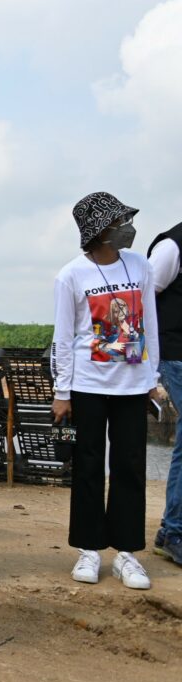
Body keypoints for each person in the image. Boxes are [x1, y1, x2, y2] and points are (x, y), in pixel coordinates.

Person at [52, 192, 161, 590]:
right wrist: (62, 391)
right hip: (88, 385)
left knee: (130, 466)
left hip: (133, 386)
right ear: (99, 231)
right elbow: (64, 338)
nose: (127, 228)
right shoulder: (71, 275)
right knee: (88, 466)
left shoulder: (141, 266)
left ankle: (127, 554)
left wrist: (152, 378)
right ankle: (89, 549)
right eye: (119, 222)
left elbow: (150, 325)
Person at [149, 216, 182, 566]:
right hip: (175, 355)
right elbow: (142, 299)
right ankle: (174, 531)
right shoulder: (173, 246)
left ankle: (172, 529)